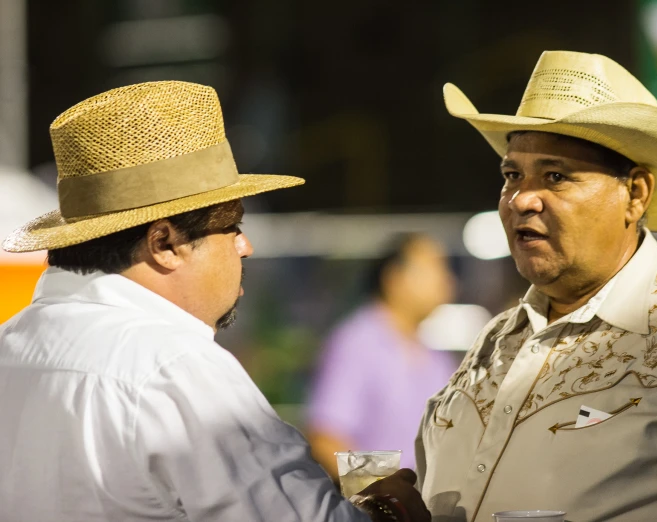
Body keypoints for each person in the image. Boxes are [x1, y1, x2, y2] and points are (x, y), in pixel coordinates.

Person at [0, 81, 430, 522]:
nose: (245, 246)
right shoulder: (176, 366)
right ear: (165, 243)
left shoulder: (11, 346)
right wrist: (388, 508)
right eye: (232, 226)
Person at [415, 50, 657, 521]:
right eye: (512, 175)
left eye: (555, 176)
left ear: (635, 194)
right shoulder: (494, 343)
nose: (522, 198)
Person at [307, 233, 458, 478]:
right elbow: (326, 438)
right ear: (394, 278)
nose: (447, 280)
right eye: (435, 268)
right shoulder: (357, 342)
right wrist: (384, 494)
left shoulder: (435, 357)